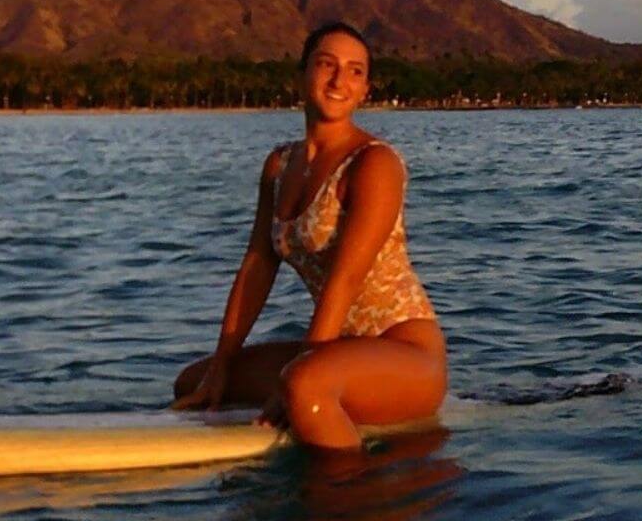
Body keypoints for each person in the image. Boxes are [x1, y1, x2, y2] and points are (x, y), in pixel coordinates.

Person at [171, 22, 446, 450]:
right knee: (191, 380)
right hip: (338, 349)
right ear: (302, 75)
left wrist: (302, 373)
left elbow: (345, 278)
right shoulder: (280, 165)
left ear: (365, 91)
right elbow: (257, 267)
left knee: (304, 387)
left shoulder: (374, 164)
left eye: (355, 71)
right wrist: (222, 364)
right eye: (326, 65)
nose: (340, 80)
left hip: (405, 353)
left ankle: (344, 496)